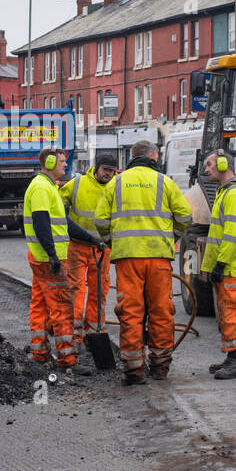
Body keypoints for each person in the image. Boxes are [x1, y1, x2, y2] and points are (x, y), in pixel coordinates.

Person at [95, 140, 192, 384]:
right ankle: (160, 367)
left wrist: (113, 242)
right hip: (158, 257)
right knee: (161, 311)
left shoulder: (116, 182)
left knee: (131, 312)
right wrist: (171, 237)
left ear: (132, 156)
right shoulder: (165, 182)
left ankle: (134, 369)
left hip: (128, 258)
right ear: (153, 156)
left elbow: (100, 220)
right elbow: (185, 216)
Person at [24, 148, 103, 376]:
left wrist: (90, 239)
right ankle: (67, 358)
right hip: (50, 260)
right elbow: (40, 223)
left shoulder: (49, 187)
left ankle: (40, 353)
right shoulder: (41, 188)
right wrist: (51, 255)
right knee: (61, 307)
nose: (65, 166)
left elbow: (64, 223)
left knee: (39, 304)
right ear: (48, 162)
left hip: (42, 258)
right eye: (60, 161)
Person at [200, 150, 236, 380]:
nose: (206, 169)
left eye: (210, 164)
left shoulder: (233, 194)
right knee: (226, 312)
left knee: (232, 313)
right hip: (226, 265)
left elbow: (232, 234)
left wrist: (221, 263)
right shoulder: (226, 192)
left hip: (231, 266)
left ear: (224, 165)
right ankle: (232, 356)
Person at [61, 152, 117, 363]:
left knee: (98, 293)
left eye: (112, 171)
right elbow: (57, 208)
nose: (109, 174)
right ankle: (74, 337)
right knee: (76, 291)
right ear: (97, 167)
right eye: (106, 170)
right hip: (78, 246)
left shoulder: (115, 185)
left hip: (102, 249)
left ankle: (92, 334)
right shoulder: (77, 185)